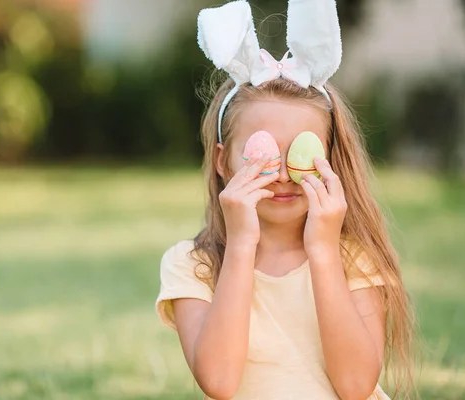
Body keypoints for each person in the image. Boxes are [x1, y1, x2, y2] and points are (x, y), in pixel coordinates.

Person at [155, 1, 416, 399]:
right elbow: (220, 382)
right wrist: (242, 243)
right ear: (223, 161)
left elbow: (356, 385)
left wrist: (324, 251)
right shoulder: (194, 267)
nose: (280, 175)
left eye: (301, 153)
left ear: (330, 161)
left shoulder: (355, 260)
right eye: (262, 153)